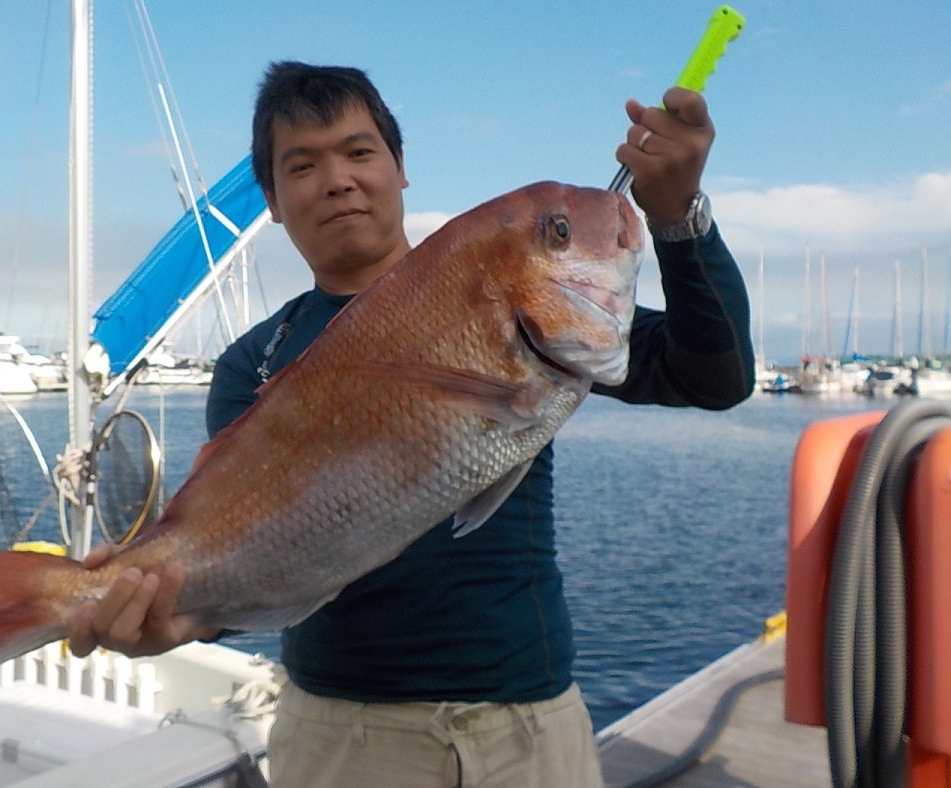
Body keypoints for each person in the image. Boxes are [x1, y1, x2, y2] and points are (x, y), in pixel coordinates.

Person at [68, 61, 755, 787]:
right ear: (271, 201)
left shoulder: (512, 300)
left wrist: (679, 220)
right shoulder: (255, 364)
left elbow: (716, 376)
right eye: (302, 165)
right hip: (342, 734)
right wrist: (183, 617)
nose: (337, 180)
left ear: (400, 169)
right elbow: (254, 554)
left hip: (528, 722)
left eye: (359, 152)